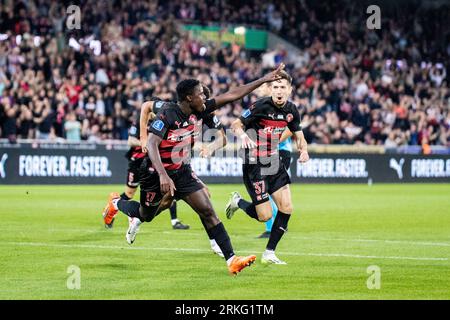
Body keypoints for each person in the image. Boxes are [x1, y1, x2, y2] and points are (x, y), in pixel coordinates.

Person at [102, 65, 284, 274]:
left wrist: (263, 79)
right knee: (146, 214)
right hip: (154, 171)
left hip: (181, 171)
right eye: (200, 94)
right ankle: (116, 203)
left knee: (207, 210)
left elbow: (232, 94)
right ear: (189, 98)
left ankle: (231, 259)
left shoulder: (202, 109)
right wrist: (162, 174)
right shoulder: (168, 113)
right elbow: (152, 145)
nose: (204, 98)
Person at [226, 70, 309, 265]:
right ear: (271, 89)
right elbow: (235, 124)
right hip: (254, 164)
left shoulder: (292, 110)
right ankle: (238, 202)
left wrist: (304, 150)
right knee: (265, 216)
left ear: (289, 90)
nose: (279, 91)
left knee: (287, 207)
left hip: (273, 161)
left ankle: (269, 253)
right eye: (276, 87)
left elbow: (299, 135)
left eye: (282, 87)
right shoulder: (261, 105)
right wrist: (244, 136)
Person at [103, 97, 190, 231]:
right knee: (130, 193)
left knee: (169, 188)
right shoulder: (139, 121)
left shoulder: (162, 120)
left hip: (153, 162)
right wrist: (145, 143)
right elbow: (130, 141)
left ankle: (174, 221)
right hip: (137, 162)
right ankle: (113, 206)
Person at [258, 132, 293, 239]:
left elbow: (290, 129)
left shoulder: (282, 116)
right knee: (275, 188)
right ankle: (280, 223)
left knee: (268, 188)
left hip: (278, 151)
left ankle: (273, 227)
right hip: (277, 151)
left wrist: (272, 142)